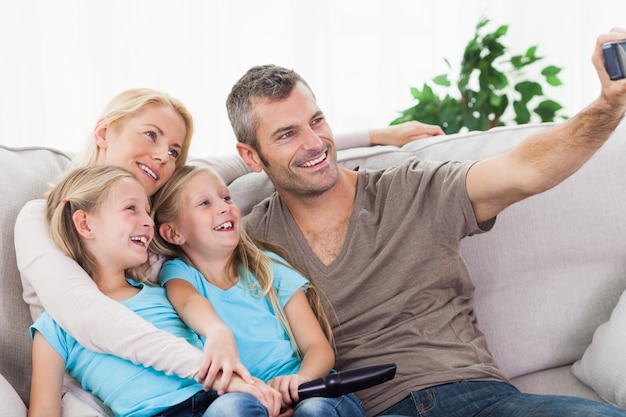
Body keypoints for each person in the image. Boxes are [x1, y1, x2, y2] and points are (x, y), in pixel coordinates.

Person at [225, 29, 626, 417]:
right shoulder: (248, 240)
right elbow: (186, 188)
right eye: (287, 134)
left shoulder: (412, 189)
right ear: (252, 156)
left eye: (317, 121)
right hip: (367, 408)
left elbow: (525, 170)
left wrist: (610, 104)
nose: (314, 143)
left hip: (477, 398)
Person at [14, 87, 441, 414]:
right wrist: (230, 374)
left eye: (175, 151)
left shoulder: (169, 223)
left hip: (223, 395)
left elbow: (256, 154)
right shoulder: (43, 216)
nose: (163, 155)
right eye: (151, 135)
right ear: (105, 131)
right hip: (133, 392)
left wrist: (378, 134)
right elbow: (95, 320)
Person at [28, 165, 281, 417]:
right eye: (131, 209)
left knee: (238, 406)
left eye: (148, 213)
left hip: (216, 401)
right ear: (85, 224)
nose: (148, 222)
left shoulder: (165, 291)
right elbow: (43, 411)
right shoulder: (55, 326)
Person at [150, 164, 366, 417]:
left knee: (314, 410)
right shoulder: (178, 274)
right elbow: (188, 303)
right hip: (251, 400)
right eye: (204, 203)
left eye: (226, 197)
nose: (224, 207)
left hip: (313, 390)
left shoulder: (268, 268)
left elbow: (318, 347)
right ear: (174, 233)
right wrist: (217, 332)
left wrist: (299, 381)